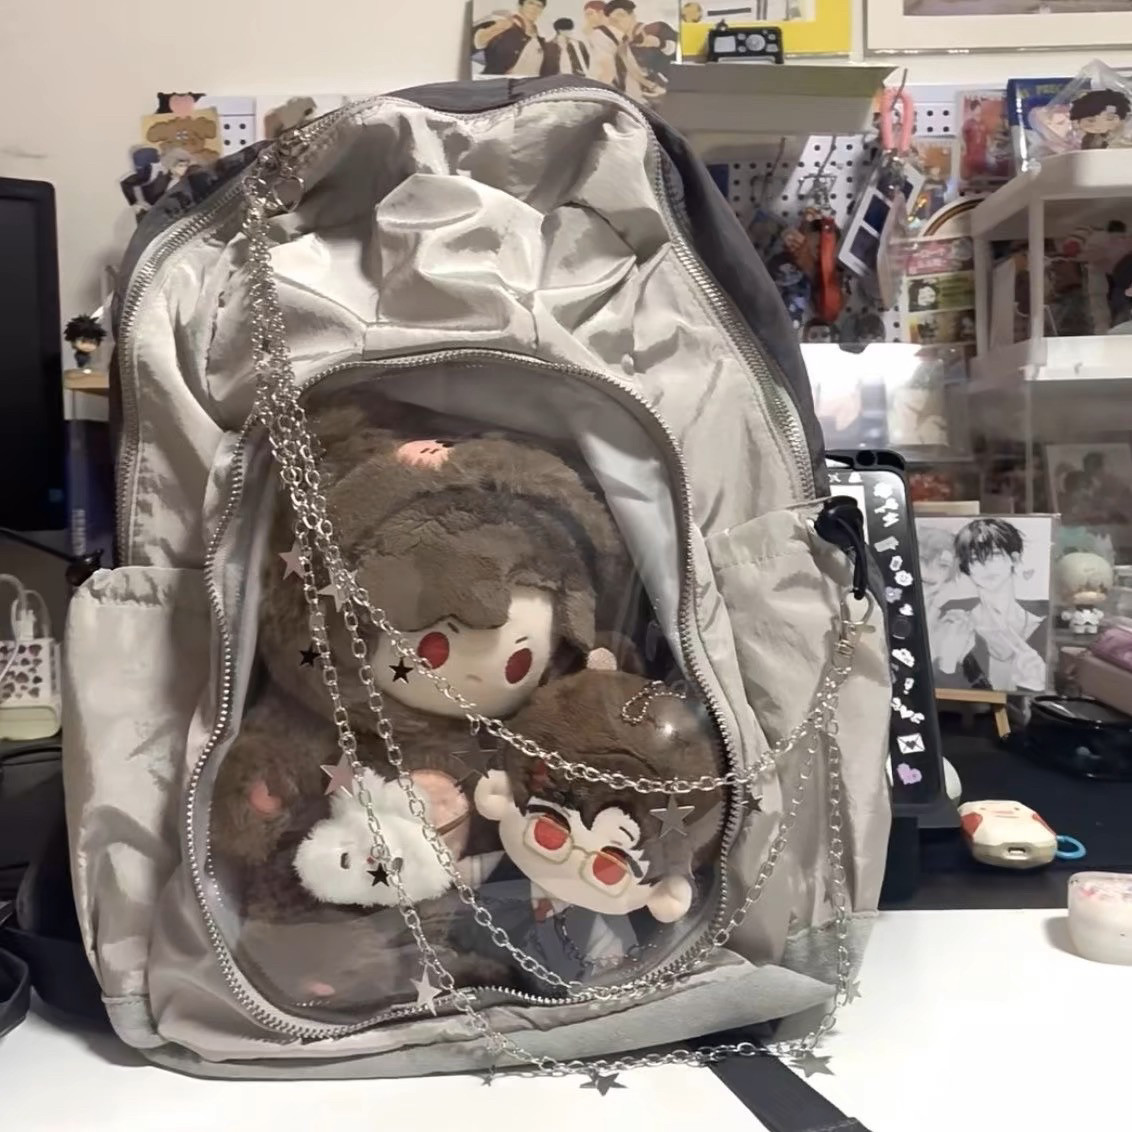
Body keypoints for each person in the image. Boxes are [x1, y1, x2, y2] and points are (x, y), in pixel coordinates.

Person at [931, 519, 1048, 693]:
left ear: (1014, 558)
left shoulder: (1041, 628)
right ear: (966, 567)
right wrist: (948, 663)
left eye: (995, 555)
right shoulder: (954, 624)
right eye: (975, 559)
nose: (986, 566)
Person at [473, 0, 547, 76]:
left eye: (539, 6)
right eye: (531, 3)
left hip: (531, 82)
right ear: (520, 6)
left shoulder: (541, 40)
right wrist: (498, 28)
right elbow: (477, 42)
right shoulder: (504, 25)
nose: (534, 8)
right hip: (500, 81)